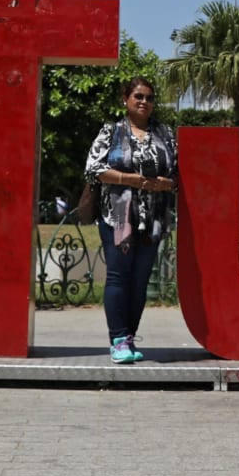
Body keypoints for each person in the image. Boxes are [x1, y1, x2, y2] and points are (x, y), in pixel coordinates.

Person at [82, 76, 177, 364]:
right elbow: (93, 168)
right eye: (138, 96)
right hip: (119, 216)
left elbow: (178, 172)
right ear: (126, 99)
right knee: (118, 276)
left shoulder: (165, 132)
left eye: (148, 97)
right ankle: (118, 339)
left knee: (140, 281)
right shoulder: (112, 131)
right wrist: (132, 179)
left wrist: (165, 184)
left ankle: (129, 337)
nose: (143, 101)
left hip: (154, 219)